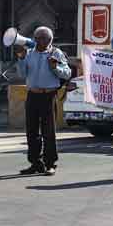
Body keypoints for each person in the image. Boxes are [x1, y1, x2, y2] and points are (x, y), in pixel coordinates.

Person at [15, 26, 71, 176]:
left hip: (48, 96)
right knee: (31, 131)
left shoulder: (56, 53)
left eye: (44, 38)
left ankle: (50, 163)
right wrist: (21, 60)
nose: (41, 41)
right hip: (32, 95)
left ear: (50, 40)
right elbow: (22, 73)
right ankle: (35, 163)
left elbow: (67, 73)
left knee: (48, 131)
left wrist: (56, 67)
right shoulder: (29, 54)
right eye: (38, 38)